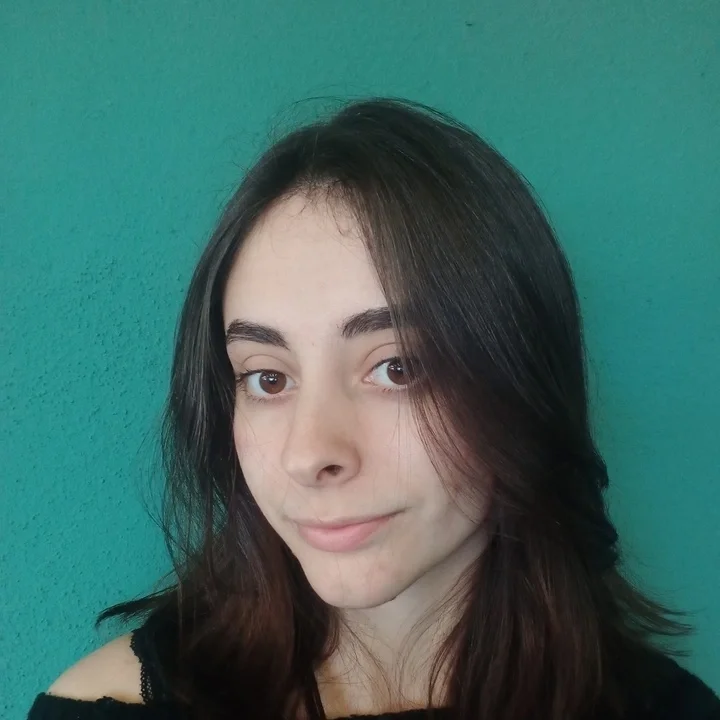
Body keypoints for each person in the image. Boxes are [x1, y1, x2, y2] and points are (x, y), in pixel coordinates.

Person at [27, 97, 720, 720]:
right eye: (266, 378)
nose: (310, 454)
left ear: (521, 385)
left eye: (399, 368)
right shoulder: (97, 710)